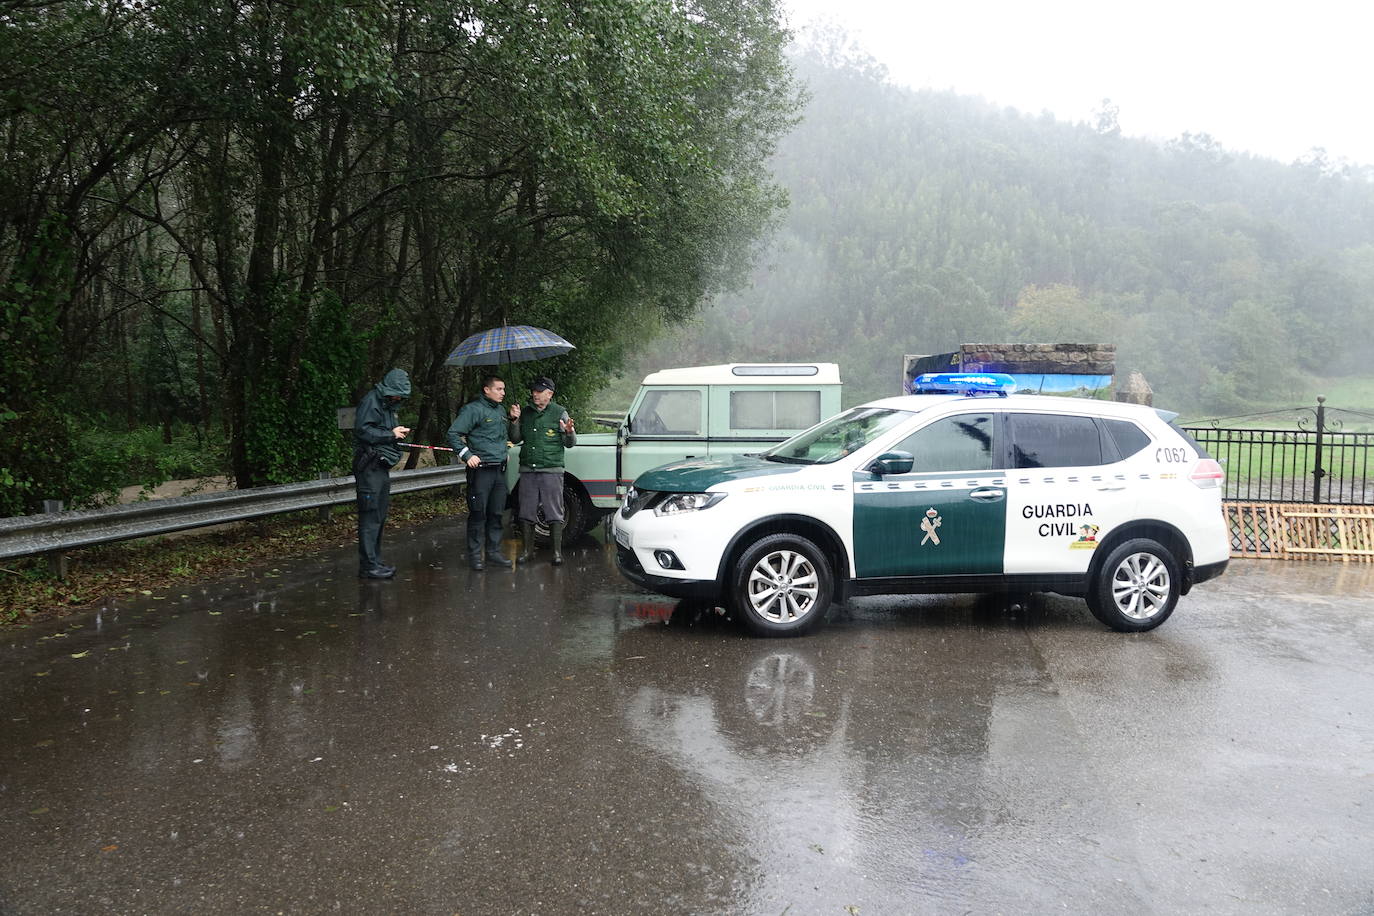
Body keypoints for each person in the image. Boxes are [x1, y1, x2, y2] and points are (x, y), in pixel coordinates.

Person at [447, 375, 517, 570]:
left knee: (496, 514)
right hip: (481, 471)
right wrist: (466, 454)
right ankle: (475, 555)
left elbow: (502, 437)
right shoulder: (473, 409)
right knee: (478, 514)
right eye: (499, 389)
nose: (503, 393)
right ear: (487, 390)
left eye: (503, 389)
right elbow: (452, 434)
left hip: (499, 470)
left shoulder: (501, 410)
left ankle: (493, 552)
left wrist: (512, 419)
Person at [510, 377, 577, 565]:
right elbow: (515, 439)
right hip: (528, 470)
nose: (535, 394)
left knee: (554, 511)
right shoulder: (526, 413)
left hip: (551, 469)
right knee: (526, 511)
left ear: (550, 394)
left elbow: (570, 444)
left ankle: (556, 553)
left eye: (539, 391)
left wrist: (569, 432)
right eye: (534, 390)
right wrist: (514, 420)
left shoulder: (559, 413)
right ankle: (527, 552)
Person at [353, 368, 411, 579]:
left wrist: (397, 433)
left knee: (379, 515)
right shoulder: (372, 401)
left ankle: (376, 561)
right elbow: (363, 431)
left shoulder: (389, 406)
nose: (399, 399)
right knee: (370, 516)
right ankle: (368, 566)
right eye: (397, 394)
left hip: (381, 468)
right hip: (369, 467)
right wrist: (390, 434)